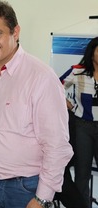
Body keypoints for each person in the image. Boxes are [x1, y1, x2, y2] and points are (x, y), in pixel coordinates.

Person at [0, 1, 73, 208]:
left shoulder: (41, 77)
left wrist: (42, 198)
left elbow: (57, 146)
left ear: (15, 32)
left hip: (25, 189)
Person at [59, 37, 98, 207]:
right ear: (92, 53)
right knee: (82, 173)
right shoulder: (78, 71)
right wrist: (70, 106)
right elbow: (55, 86)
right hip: (83, 127)